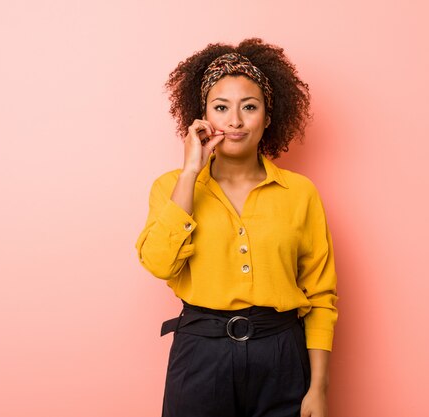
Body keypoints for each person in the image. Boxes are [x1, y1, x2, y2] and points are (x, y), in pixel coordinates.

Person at [136, 38, 338, 417]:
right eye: (221, 108)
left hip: (282, 354)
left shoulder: (300, 193)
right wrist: (191, 173)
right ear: (202, 118)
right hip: (200, 353)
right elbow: (160, 264)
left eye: (249, 107)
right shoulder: (172, 187)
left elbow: (321, 295)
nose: (235, 121)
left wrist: (319, 387)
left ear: (268, 116)